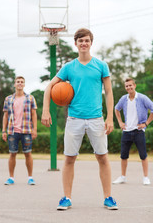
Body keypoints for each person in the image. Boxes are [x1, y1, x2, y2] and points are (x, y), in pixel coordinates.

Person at [41, 28, 118, 210]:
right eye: (80, 41)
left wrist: (109, 118)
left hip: (96, 119)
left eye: (87, 40)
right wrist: (45, 110)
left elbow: (108, 92)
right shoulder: (69, 67)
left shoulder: (101, 66)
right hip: (74, 119)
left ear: (91, 43)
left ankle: (108, 197)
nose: (84, 43)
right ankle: (66, 198)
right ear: (75, 43)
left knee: (102, 157)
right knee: (69, 159)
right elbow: (49, 88)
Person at [113, 78, 153, 185]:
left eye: (130, 85)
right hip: (127, 131)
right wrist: (120, 122)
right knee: (123, 156)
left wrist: (146, 123)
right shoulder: (124, 99)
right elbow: (116, 109)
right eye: (126, 86)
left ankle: (146, 177)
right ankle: (123, 177)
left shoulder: (142, 98)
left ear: (134, 85)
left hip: (139, 131)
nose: (128, 87)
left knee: (143, 155)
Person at [2, 76, 37, 185]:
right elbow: (5, 115)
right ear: (14, 84)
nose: (20, 83)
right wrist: (4, 130)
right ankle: (11, 177)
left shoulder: (30, 98)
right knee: (12, 154)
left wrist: (34, 129)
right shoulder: (8, 99)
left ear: (24, 84)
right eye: (18, 82)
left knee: (28, 154)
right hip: (13, 131)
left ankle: (30, 178)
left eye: (22, 82)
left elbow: (34, 114)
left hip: (26, 130)